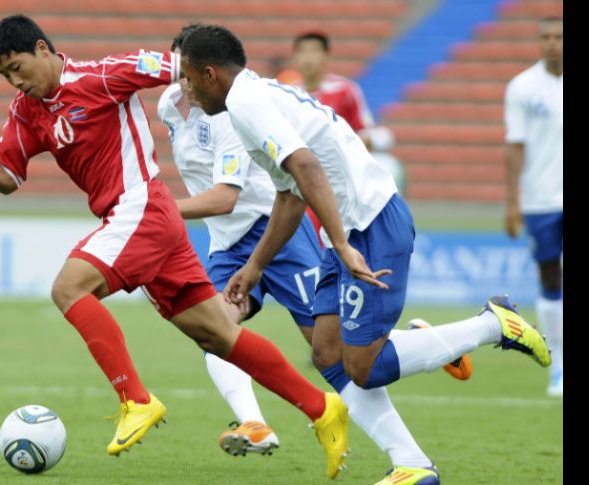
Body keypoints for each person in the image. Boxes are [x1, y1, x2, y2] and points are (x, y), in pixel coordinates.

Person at [0, 15, 352, 478]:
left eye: (18, 67)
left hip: (140, 207)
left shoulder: (102, 76)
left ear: (43, 49)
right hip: (140, 221)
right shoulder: (25, 113)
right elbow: (11, 176)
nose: (15, 80)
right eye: (5, 74)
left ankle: (135, 400)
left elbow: (182, 64)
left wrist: (245, 98)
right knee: (218, 335)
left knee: (69, 289)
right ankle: (322, 409)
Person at [180, 24, 551, 485]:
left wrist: (340, 245)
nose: (187, 90)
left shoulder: (246, 103)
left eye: (188, 78)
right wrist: (254, 267)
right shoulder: (257, 97)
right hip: (353, 225)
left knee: (363, 366)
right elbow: (292, 193)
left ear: (209, 73)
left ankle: (492, 323)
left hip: (370, 222)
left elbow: (307, 166)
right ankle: (412, 465)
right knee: (327, 353)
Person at [291, 31, 407, 238]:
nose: (308, 57)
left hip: (339, 188)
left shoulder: (345, 91)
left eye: (314, 51)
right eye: (303, 51)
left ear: (326, 56)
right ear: (295, 57)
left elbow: (366, 134)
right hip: (299, 187)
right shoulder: (287, 94)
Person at [504, 17, 563, 398]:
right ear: (538, 42)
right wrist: (512, 201)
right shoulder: (523, 86)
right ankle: (558, 365)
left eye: (559, 37)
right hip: (540, 199)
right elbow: (515, 145)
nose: (553, 43)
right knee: (550, 278)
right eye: (546, 37)